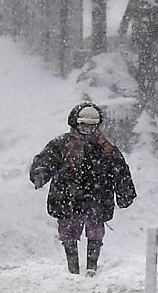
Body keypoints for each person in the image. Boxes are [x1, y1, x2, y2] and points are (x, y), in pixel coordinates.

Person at [29, 101, 135, 275]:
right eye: (84, 127)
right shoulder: (61, 145)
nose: (88, 131)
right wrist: (40, 174)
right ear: (76, 124)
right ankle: (73, 268)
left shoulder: (106, 148)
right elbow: (45, 161)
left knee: (95, 230)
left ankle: (92, 266)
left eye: (91, 127)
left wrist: (125, 192)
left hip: (96, 195)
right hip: (67, 195)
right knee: (68, 230)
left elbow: (120, 170)